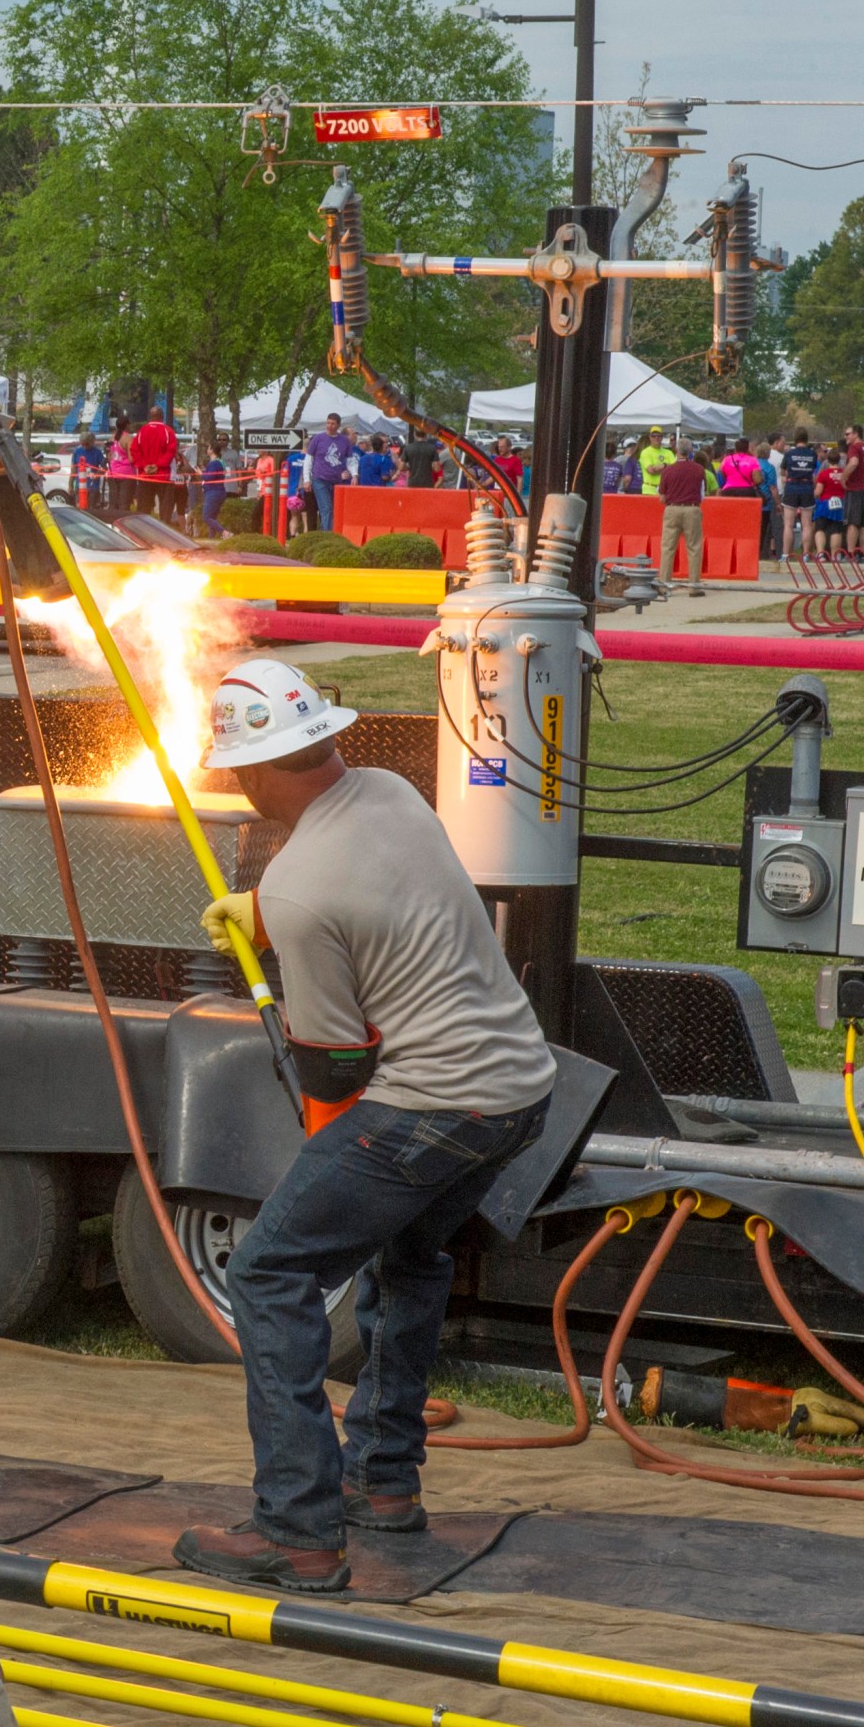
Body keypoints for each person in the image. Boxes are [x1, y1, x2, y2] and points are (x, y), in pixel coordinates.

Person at [174, 660, 553, 1595]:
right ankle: (381, 1482)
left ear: (252, 773)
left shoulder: (300, 889)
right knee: (409, 1249)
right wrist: (260, 913)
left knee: (270, 1269)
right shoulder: (387, 791)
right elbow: (375, 895)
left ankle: (296, 1531)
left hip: (434, 1101)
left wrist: (281, 930)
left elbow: (337, 1066)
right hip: (520, 1088)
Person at [657, 443, 709, 595]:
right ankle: (694, 585)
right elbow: (702, 494)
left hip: (672, 508)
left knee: (668, 548)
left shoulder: (668, 470)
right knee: (694, 547)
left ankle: (664, 584)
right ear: (691, 451)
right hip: (692, 508)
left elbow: (662, 497)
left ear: (676, 451)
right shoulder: (699, 470)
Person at [303, 413, 351, 534]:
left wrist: (352, 474)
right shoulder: (318, 439)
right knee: (326, 508)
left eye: (333, 423)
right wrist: (307, 479)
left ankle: (327, 531)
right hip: (319, 478)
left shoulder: (344, 440)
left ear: (338, 425)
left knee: (335, 509)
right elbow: (309, 459)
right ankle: (327, 535)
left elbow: (350, 460)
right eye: (328, 423)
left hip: (337, 480)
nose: (329, 426)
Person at [131, 405, 180, 518]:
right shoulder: (168, 432)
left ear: (150, 417)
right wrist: (158, 466)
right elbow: (171, 451)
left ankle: (142, 531)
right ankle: (164, 529)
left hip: (145, 474)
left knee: (144, 507)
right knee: (165, 506)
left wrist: (144, 466)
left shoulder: (142, 431)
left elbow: (134, 450)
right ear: (162, 417)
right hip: (163, 475)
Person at [779, 427, 819, 558]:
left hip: (791, 487)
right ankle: (806, 554)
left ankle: (785, 554)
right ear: (806, 439)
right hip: (807, 487)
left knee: (788, 524)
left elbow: (783, 472)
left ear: (795, 438)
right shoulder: (812, 454)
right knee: (806, 524)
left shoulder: (789, 454)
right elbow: (813, 471)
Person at [839, 424, 864, 556]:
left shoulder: (854, 447)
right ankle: (863, 553)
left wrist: (843, 477)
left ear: (855, 434)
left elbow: (853, 463)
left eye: (847, 434)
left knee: (853, 522)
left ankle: (850, 552)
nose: (845, 437)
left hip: (855, 489)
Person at [812, 449, 846, 555]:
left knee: (820, 528)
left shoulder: (823, 474)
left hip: (825, 504)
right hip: (840, 503)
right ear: (839, 460)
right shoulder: (844, 474)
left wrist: (812, 494)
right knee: (836, 529)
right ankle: (835, 555)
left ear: (827, 460)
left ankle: (821, 553)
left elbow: (818, 492)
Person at [753, 443, 781, 559]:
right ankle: (761, 553)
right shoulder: (769, 467)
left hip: (752, 501)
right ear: (768, 453)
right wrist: (778, 503)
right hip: (765, 502)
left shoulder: (753, 465)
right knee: (764, 530)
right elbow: (773, 488)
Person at [107, 416, 136, 513]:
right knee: (124, 504)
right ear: (127, 425)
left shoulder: (111, 437)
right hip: (126, 474)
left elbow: (109, 457)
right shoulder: (128, 438)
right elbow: (132, 459)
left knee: (113, 503)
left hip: (112, 473)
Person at [71, 427, 106, 508]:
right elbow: (73, 469)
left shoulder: (97, 452)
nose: (84, 446)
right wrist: (70, 485)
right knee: (80, 509)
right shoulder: (77, 452)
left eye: (86, 444)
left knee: (91, 509)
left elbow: (104, 467)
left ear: (91, 442)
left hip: (93, 487)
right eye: (82, 444)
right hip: (79, 486)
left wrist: (97, 475)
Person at [638, 426, 676, 498]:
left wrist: (663, 465)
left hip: (665, 490)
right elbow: (651, 471)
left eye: (659, 436)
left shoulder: (668, 452)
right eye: (653, 436)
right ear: (650, 437)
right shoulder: (645, 452)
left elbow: (675, 469)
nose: (656, 438)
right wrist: (668, 468)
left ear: (662, 437)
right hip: (649, 489)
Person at [202, 441, 229, 537]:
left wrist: (201, 474)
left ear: (212, 450)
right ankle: (211, 537)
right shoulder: (220, 462)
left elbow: (209, 478)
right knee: (213, 517)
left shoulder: (215, 463)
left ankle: (224, 532)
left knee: (206, 517)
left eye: (208, 447)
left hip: (213, 492)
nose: (207, 450)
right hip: (219, 491)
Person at [489, 436, 523, 503]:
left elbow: (520, 479)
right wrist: (482, 485)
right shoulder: (497, 460)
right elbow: (493, 477)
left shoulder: (515, 461)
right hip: (497, 493)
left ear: (509, 447)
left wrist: (518, 493)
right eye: (499, 447)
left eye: (502, 447)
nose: (500, 449)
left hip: (509, 494)